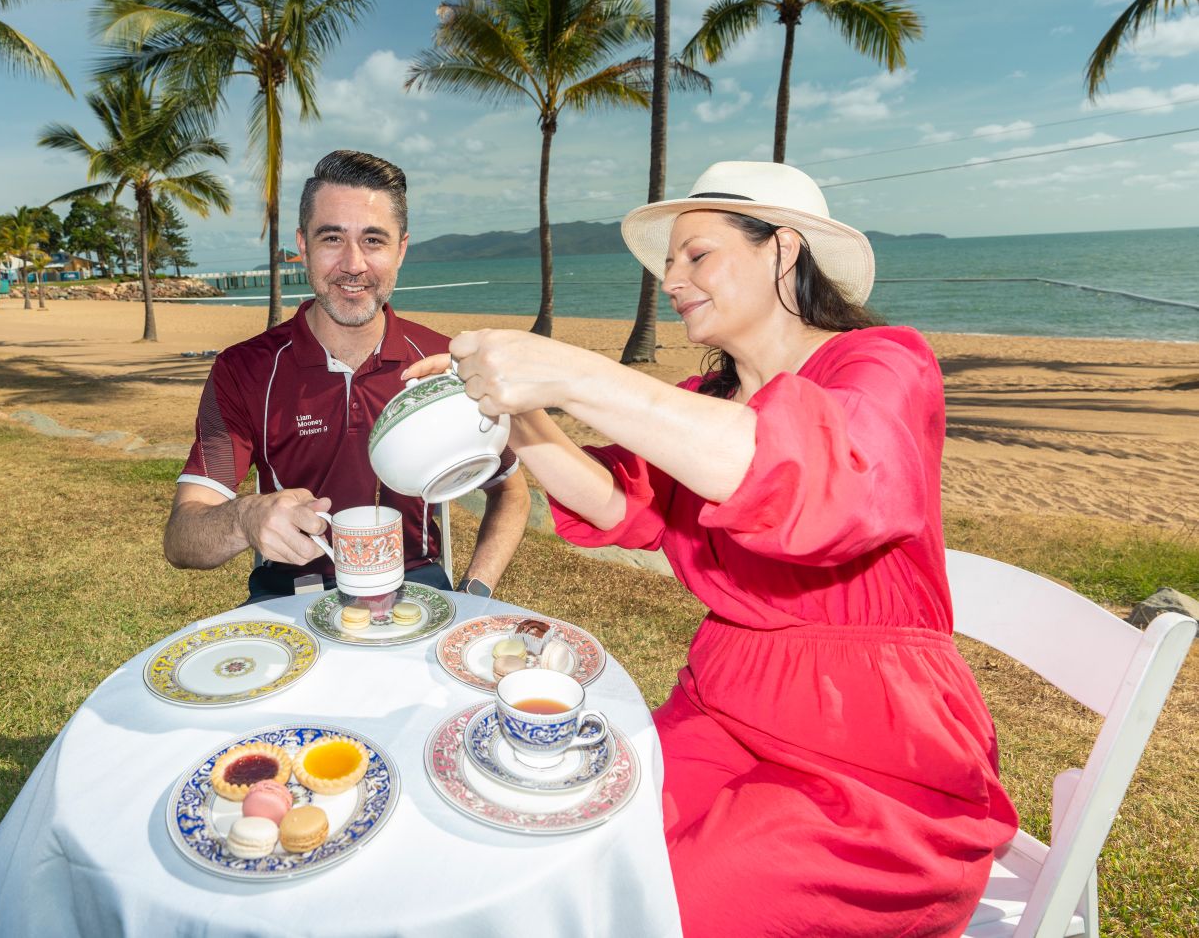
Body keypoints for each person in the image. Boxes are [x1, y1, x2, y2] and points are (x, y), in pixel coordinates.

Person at [408, 161, 1018, 936]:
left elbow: (814, 478)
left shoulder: (884, 364)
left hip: (874, 750)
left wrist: (565, 370)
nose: (672, 277)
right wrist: (514, 412)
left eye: (696, 255)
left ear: (783, 251)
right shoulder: (706, 408)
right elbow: (616, 502)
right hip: (724, 700)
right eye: (669, 261)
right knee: (579, 855)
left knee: (669, 910)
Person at [165, 150, 531, 602]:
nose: (354, 264)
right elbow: (182, 536)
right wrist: (245, 518)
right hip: (289, 598)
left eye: (374, 240)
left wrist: (474, 591)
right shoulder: (245, 370)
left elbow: (510, 491)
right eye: (332, 238)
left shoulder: (443, 361)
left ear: (401, 249)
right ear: (303, 246)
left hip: (418, 588)